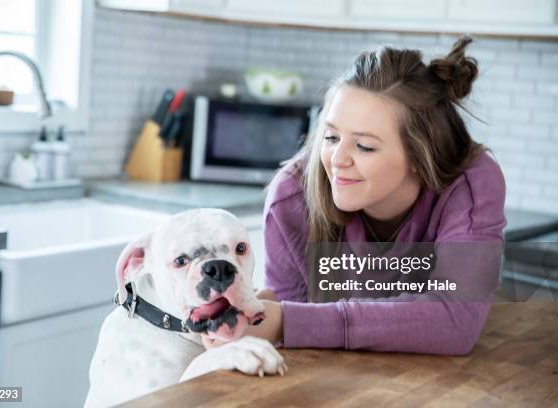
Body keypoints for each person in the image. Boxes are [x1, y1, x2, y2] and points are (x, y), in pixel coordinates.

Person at [209, 36, 507, 355]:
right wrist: (261, 318)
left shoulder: (472, 184)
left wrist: (288, 320)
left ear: (421, 157)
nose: (337, 159)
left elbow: (455, 320)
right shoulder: (292, 197)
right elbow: (291, 329)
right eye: (332, 136)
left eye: (364, 146)